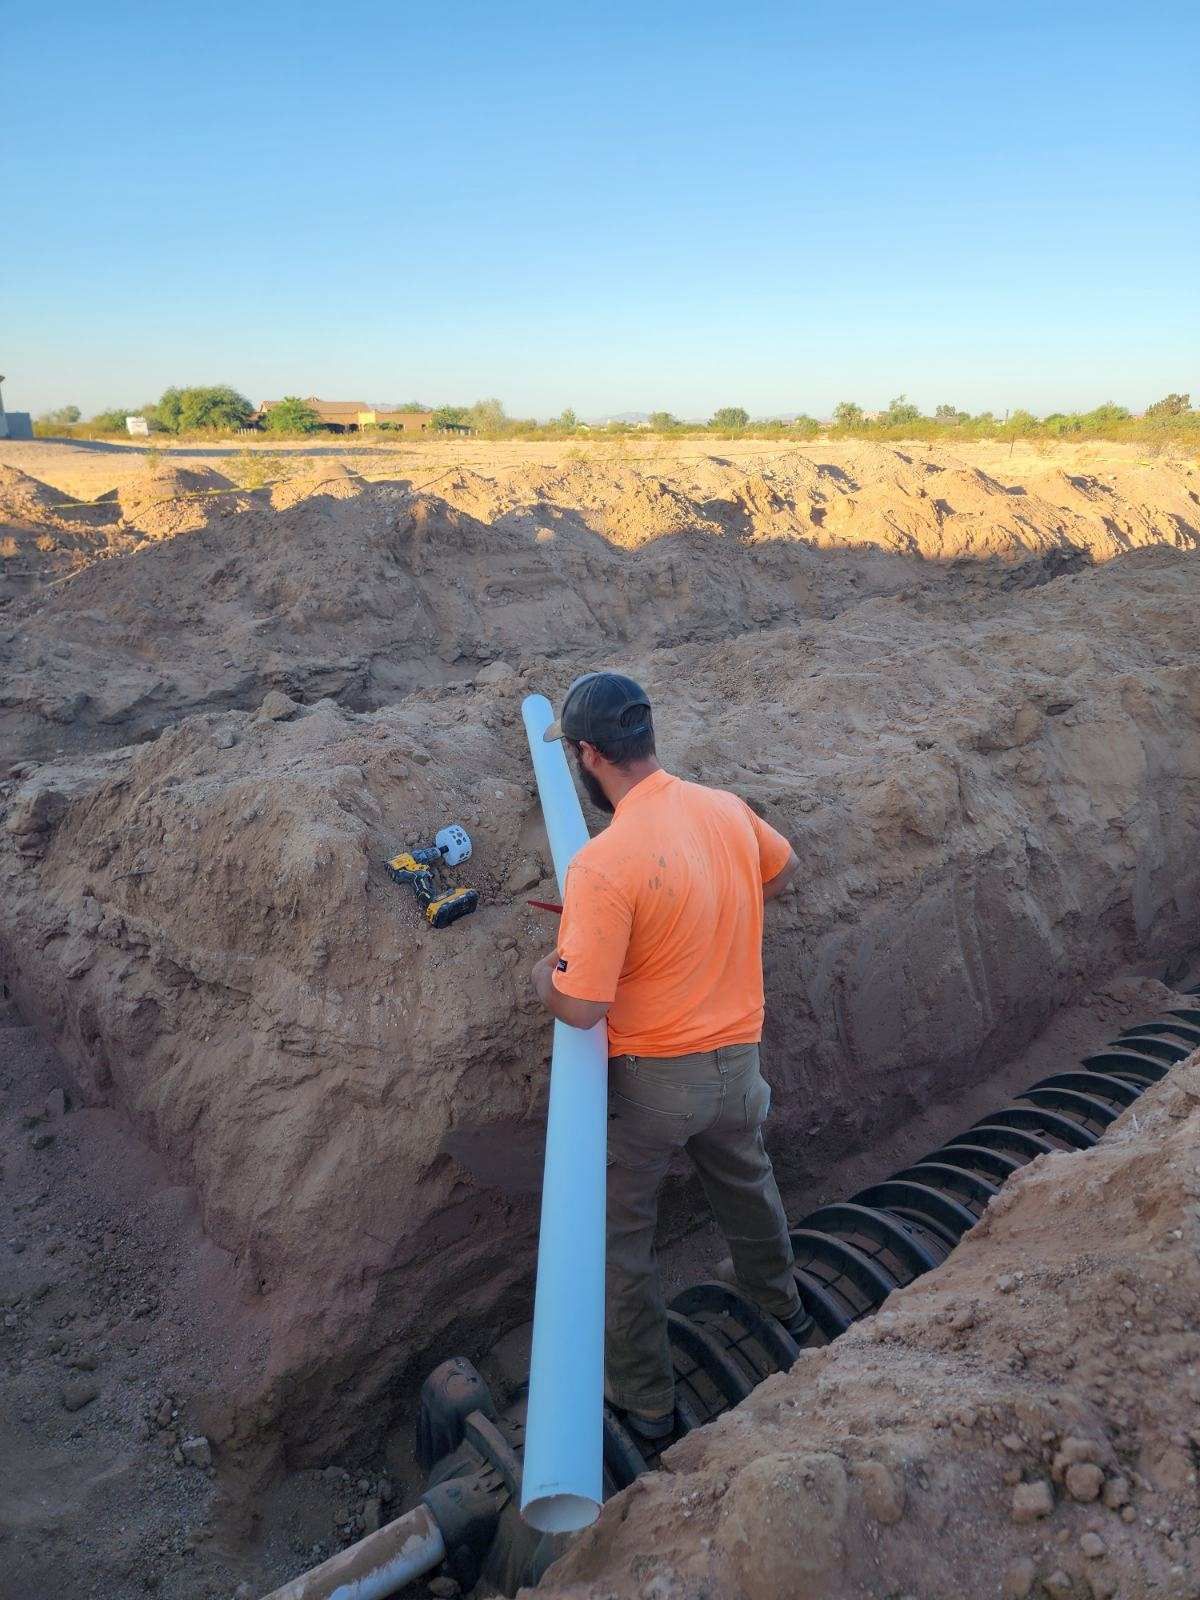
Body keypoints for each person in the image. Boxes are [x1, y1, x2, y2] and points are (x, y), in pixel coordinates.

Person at [532, 670, 806, 1440]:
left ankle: (648, 1401)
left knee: (620, 1238)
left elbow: (583, 1005)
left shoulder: (605, 862)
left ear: (589, 756)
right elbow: (781, 870)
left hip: (657, 1087)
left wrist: (540, 980)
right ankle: (779, 1298)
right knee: (747, 1182)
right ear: (646, 738)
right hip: (741, 1065)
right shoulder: (723, 808)